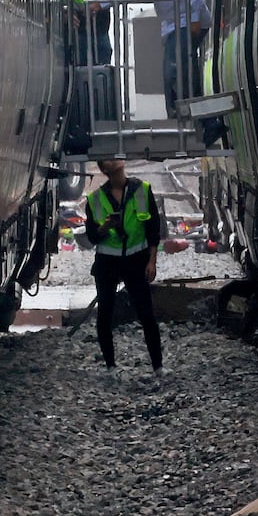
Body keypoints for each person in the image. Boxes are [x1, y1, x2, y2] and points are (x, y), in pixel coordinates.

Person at [83, 158, 164, 378]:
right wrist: (104, 228)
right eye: (108, 159)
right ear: (104, 169)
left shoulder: (142, 190)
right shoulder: (95, 199)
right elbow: (91, 237)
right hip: (107, 263)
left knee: (147, 313)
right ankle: (111, 365)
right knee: (105, 314)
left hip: (136, 260)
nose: (115, 159)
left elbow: (153, 229)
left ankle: (158, 366)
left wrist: (152, 261)